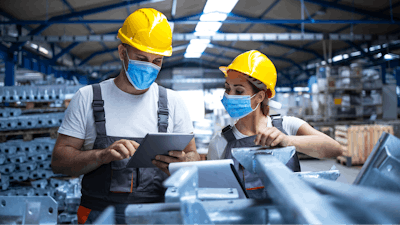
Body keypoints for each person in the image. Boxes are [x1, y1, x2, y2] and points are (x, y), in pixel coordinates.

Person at [51, 8, 200, 224]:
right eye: (141, 58)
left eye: (156, 61)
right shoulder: (88, 98)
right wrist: (101, 156)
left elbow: (193, 156)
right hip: (98, 215)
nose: (149, 67)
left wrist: (181, 164)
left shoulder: (173, 103)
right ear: (122, 53)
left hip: (158, 215)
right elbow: (59, 162)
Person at [207, 50, 343, 199]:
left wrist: (288, 141)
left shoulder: (287, 126)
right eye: (227, 89)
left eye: (238, 91)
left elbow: (334, 149)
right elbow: (216, 196)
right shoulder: (220, 142)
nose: (229, 96)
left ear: (259, 96)